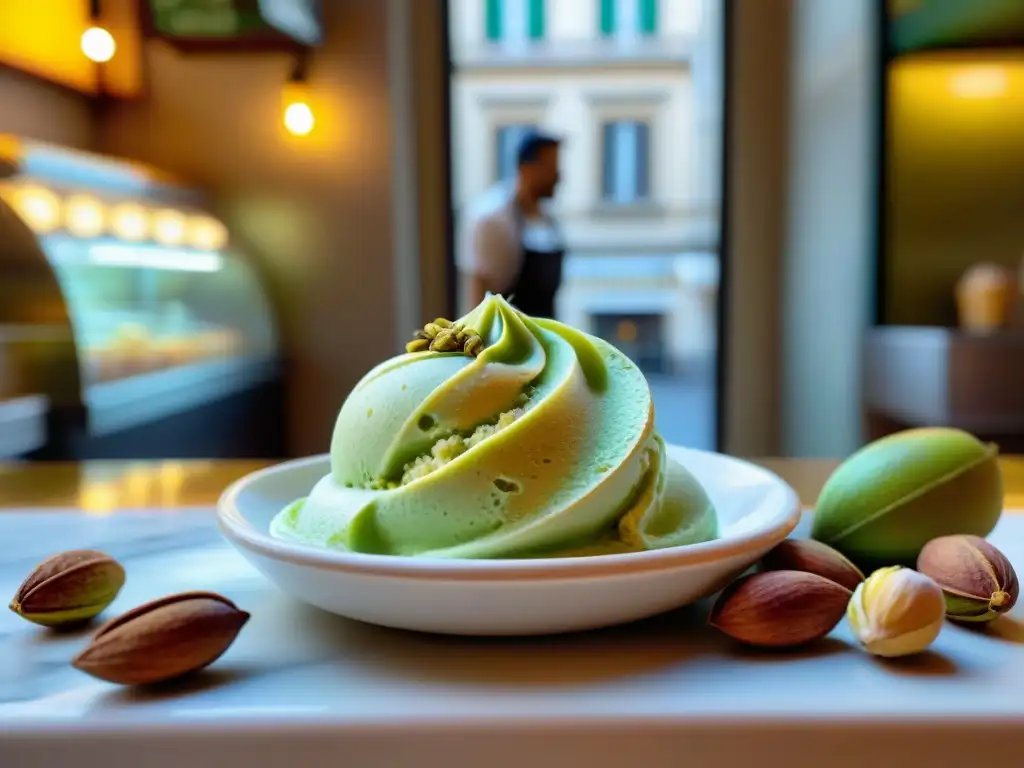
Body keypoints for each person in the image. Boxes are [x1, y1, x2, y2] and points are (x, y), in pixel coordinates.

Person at [458, 131, 565, 319]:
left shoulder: (547, 218)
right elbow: (478, 297)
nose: (558, 176)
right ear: (527, 168)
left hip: (545, 336)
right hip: (508, 340)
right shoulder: (493, 219)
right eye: (551, 167)